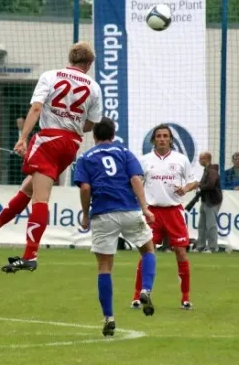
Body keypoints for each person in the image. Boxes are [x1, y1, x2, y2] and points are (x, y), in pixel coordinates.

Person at [0, 41, 103, 273]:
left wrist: (23, 137)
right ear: (89, 63)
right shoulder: (94, 87)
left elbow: (36, 108)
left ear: (70, 58)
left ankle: (30, 256)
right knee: (28, 189)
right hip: (71, 145)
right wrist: (72, 119)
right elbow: (90, 124)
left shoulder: (50, 76)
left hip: (49, 140)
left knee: (40, 199)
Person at [74, 118, 156, 337]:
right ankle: (145, 290)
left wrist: (85, 214)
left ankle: (109, 317)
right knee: (148, 249)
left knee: (104, 267)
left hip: (103, 213)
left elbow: (84, 188)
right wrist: (145, 208)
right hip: (129, 210)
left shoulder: (85, 158)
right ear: (113, 134)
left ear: (94, 136)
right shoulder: (125, 152)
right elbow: (136, 179)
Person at [132, 124, 198, 310]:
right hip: (153, 212)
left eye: (165, 136)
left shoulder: (181, 160)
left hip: (174, 211)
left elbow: (194, 181)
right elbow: (136, 181)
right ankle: (138, 296)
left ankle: (185, 298)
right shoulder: (145, 161)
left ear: (171, 139)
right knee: (146, 252)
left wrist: (184, 188)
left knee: (181, 253)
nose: (162, 139)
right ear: (154, 139)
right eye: (159, 136)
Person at [195, 152, 223, 253]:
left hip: (212, 201)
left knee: (211, 225)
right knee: (202, 225)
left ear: (207, 159)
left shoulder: (212, 171)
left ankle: (212, 247)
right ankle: (200, 246)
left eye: (201, 158)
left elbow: (210, 185)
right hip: (206, 200)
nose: (199, 160)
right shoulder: (207, 170)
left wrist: (199, 185)